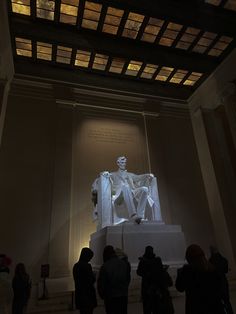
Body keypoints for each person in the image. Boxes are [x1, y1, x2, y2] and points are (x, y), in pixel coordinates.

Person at [92, 156, 162, 226]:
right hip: (119, 194)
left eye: (125, 162)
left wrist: (148, 175)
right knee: (125, 186)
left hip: (131, 192)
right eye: (122, 162)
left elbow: (138, 177)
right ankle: (133, 214)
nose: (124, 164)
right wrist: (104, 173)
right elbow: (105, 175)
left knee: (144, 189)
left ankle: (140, 215)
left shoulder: (129, 174)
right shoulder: (114, 174)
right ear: (118, 163)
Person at [175, 244, 228, 314]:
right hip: (214, 307)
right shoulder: (212, 269)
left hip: (195, 308)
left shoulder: (187, 271)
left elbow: (180, 288)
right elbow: (219, 287)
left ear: (188, 258)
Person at [137, 246, 174, 314]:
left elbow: (139, 272)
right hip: (156, 290)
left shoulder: (143, 261)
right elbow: (170, 283)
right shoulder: (156, 262)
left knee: (148, 307)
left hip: (148, 287)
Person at [97, 245, 131, 314]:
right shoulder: (124, 264)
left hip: (110, 296)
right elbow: (128, 278)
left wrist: (103, 295)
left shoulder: (105, 266)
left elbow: (101, 283)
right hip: (123, 295)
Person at [209, 245, 234, 314]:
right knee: (227, 301)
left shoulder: (210, 261)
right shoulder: (223, 260)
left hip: (215, 284)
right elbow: (225, 270)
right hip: (223, 282)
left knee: (219, 303)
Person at [73, 248, 97, 314]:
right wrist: (94, 276)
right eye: (89, 257)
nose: (90, 259)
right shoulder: (87, 266)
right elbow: (90, 280)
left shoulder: (75, 266)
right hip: (88, 296)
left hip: (80, 296)